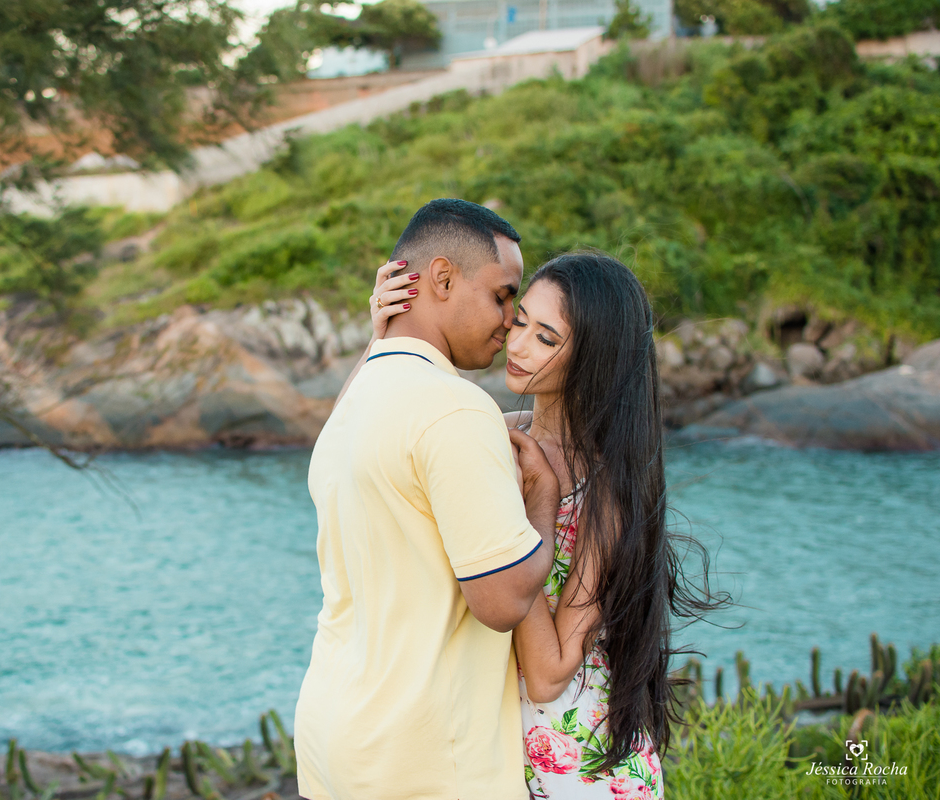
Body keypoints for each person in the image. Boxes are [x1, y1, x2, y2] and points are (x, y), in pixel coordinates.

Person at [369, 250, 721, 799]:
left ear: (593, 360)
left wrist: (529, 511)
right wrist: (384, 342)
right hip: (493, 753)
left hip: (580, 765)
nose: (518, 343)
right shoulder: (490, 430)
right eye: (521, 320)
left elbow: (550, 670)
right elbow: (353, 445)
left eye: (547, 338)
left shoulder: (605, 487)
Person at [294, 199, 563, 800]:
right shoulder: (455, 407)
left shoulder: (351, 406)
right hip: (425, 759)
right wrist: (542, 499)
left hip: (331, 736)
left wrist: (380, 333)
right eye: (501, 295)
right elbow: (501, 600)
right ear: (442, 278)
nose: (510, 320)